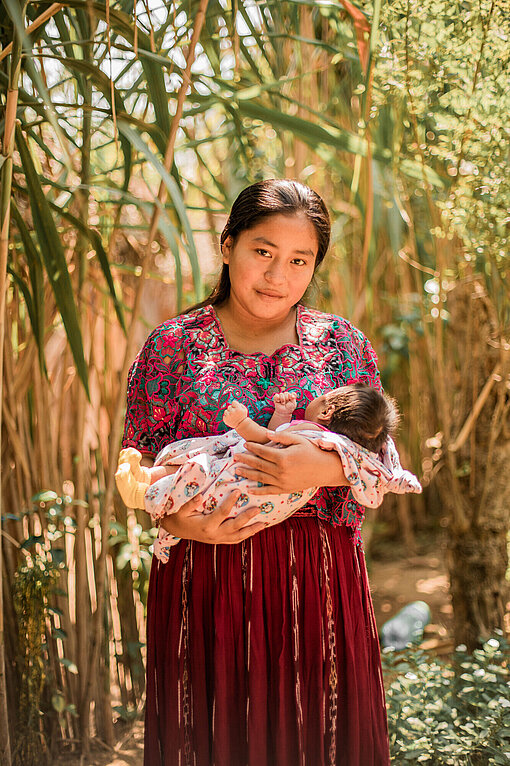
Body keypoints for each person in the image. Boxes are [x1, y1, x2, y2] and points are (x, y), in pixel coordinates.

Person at [122, 179, 393, 765]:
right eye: (262, 251)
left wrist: (314, 467)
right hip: (204, 576)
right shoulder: (172, 348)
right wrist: (184, 528)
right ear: (227, 246)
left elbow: (380, 457)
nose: (278, 276)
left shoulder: (342, 345)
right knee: (218, 742)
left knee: (316, 740)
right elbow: (138, 469)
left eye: (300, 260)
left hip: (319, 581)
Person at [116, 385, 421, 563]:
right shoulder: (338, 446)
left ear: (326, 411)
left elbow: (266, 440)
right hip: (265, 515)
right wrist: (285, 415)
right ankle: (149, 484)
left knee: (200, 469)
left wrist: (242, 423)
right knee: (198, 472)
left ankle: (144, 490)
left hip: (244, 484)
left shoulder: (311, 432)